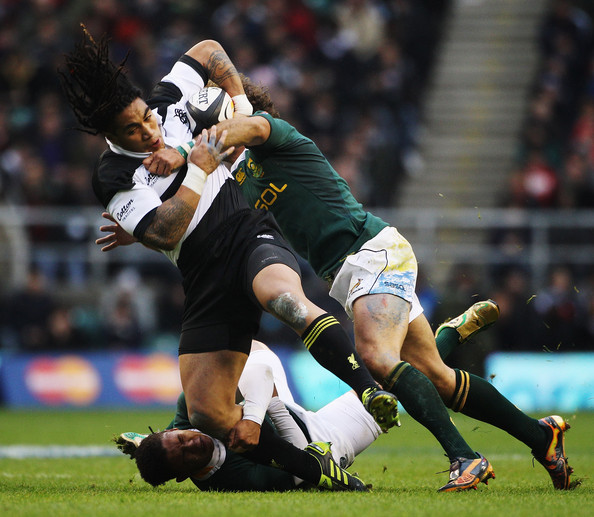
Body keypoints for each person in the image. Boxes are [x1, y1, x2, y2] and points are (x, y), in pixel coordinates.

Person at [111, 75, 574, 491]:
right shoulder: (236, 181)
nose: (209, 133)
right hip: (349, 273)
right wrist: (142, 226)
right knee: (437, 378)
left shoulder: (273, 133)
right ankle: (541, 438)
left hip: (371, 252)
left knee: (376, 358)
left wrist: (197, 142)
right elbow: (201, 220)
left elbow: (246, 129)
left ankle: (464, 458)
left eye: (217, 122)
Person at [59, 28, 398, 491]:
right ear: (110, 137)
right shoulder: (113, 175)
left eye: (146, 118)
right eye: (132, 131)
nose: (149, 131)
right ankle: (323, 475)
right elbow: (165, 231)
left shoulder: (167, 102)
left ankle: (369, 390)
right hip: (203, 277)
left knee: (284, 300)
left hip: (247, 232)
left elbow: (208, 50)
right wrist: (197, 168)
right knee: (209, 414)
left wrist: (239, 103)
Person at [116, 341, 382, 491]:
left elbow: (256, 374)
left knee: (246, 348)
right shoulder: (232, 480)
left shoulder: (189, 410)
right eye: (186, 457)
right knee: (383, 388)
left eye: (182, 439)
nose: (193, 443)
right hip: (312, 440)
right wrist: (272, 404)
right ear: (183, 476)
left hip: (276, 404)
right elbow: (300, 470)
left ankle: (150, 439)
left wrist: (258, 413)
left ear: (174, 430)